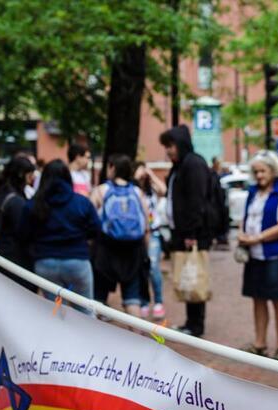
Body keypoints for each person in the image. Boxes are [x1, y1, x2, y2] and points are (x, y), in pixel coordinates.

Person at [19, 160, 100, 314]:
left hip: (45, 263)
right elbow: (96, 229)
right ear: (68, 177)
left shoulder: (33, 205)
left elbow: (23, 234)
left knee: (53, 312)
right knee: (85, 312)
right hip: (77, 261)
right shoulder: (81, 202)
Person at [238, 150, 278, 361]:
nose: (259, 175)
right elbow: (245, 218)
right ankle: (260, 343)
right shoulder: (253, 193)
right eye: (256, 172)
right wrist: (241, 233)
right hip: (254, 255)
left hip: (276, 255)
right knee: (258, 299)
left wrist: (258, 237)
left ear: (273, 171)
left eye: (262, 171)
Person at [160, 124, 212, 337]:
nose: (168, 150)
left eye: (170, 145)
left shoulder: (193, 164)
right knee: (188, 275)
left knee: (194, 274)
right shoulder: (180, 165)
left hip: (193, 233)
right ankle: (191, 321)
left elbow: (196, 201)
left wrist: (191, 233)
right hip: (181, 231)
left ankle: (196, 324)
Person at [90, 154, 149, 317]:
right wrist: (146, 250)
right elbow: (146, 225)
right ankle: (136, 337)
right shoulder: (137, 192)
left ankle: (95, 336)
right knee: (132, 299)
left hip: (106, 250)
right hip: (133, 251)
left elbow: (89, 220)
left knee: (98, 298)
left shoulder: (101, 190)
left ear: (112, 168)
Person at [0, 156, 37, 291]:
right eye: (30, 173)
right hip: (17, 258)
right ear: (21, 174)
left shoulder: (2, 193)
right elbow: (24, 232)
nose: (33, 177)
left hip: (4, 254)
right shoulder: (16, 201)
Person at [133, 161, 167, 320]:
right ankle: (144, 301)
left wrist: (150, 174)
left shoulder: (151, 189)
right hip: (138, 234)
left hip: (153, 232)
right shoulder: (133, 190)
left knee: (153, 266)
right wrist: (136, 177)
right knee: (140, 269)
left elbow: (163, 190)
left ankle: (158, 302)